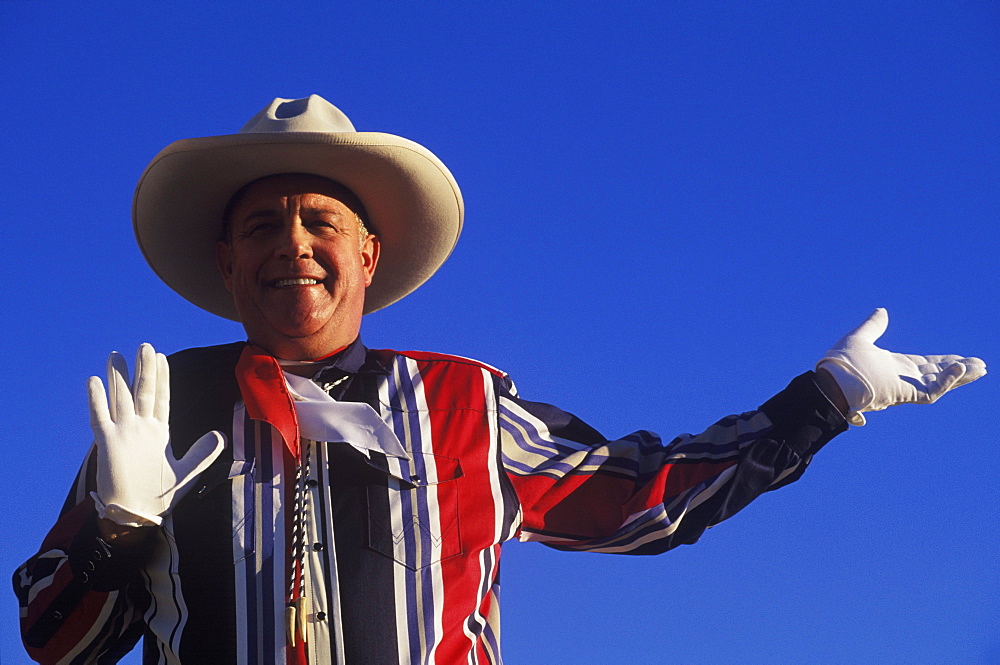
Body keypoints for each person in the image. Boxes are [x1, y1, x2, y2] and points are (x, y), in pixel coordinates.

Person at [14, 95, 986, 665]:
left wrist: (824, 397)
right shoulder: (162, 409)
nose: (293, 246)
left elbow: (641, 500)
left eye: (319, 222)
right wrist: (118, 530)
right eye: (263, 224)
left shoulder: (462, 404)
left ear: (368, 252)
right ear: (226, 259)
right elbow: (63, 643)